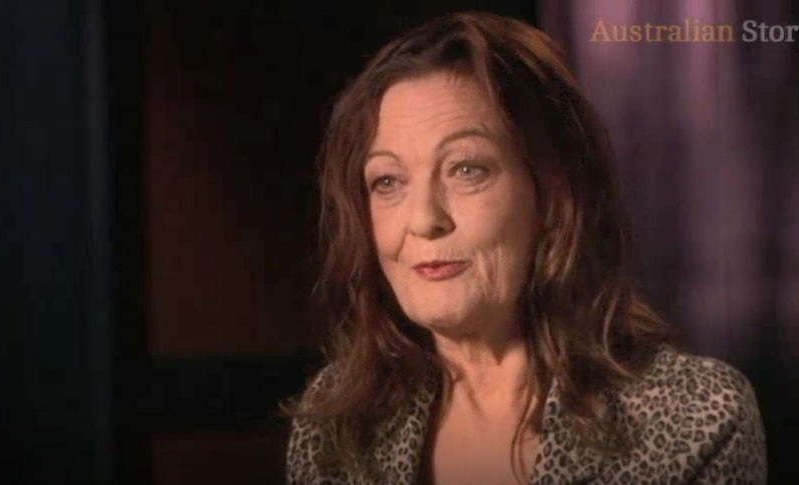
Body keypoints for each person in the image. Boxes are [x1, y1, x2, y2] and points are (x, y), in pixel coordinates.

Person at [284, 11, 766, 485]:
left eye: (466, 169)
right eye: (387, 181)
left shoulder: (695, 418)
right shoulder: (334, 425)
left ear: (553, 193)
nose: (424, 220)